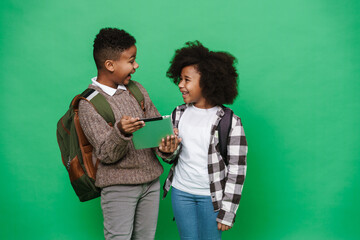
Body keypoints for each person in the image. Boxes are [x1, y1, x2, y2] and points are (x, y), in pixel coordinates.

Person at [78, 28, 180, 240]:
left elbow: (154, 135)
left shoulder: (137, 89)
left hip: (150, 182)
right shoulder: (89, 104)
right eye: (131, 60)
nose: (136, 65)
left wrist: (166, 148)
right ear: (110, 65)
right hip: (118, 188)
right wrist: (121, 132)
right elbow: (106, 154)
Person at [162, 41, 248, 240]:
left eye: (186, 80)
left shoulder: (230, 121)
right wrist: (168, 150)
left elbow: (237, 170)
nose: (180, 84)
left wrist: (227, 213)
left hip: (212, 197)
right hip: (180, 192)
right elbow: (172, 157)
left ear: (208, 82)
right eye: (180, 79)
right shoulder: (178, 113)